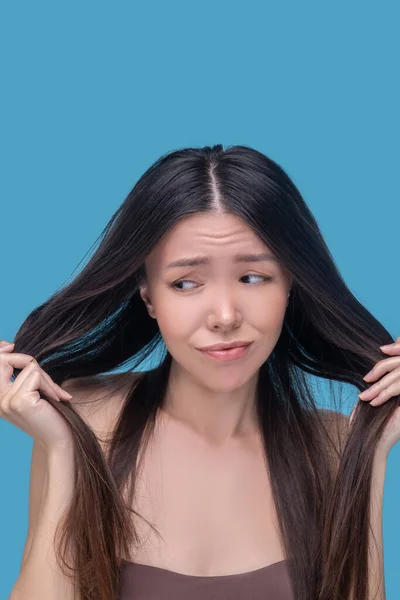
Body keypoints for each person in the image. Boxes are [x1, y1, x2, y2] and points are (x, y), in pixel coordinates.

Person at [3, 144, 398, 600]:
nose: (225, 315)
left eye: (253, 277)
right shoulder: (85, 420)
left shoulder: (332, 446)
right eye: (186, 283)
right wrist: (60, 450)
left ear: (291, 283)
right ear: (149, 295)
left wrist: (374, 447)